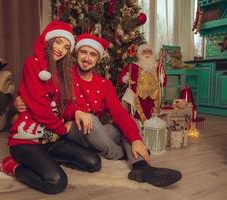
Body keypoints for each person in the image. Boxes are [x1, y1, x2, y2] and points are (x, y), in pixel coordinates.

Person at [15, 33, 182, 187]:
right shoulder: (65, 74)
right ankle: (119, 153)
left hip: (97, 135)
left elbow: (118, 112)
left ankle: (141, 167)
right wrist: (20, 99)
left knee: (126, 123)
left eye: (92, 54)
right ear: (76, 54)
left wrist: (136, 139)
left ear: (98, 59)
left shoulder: (104, 84)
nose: (87, 58)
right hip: (71, 130)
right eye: (83, 52)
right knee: (92, 120)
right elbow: (47, 96)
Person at [0, 21, 101, 194]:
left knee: (94, 163)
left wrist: (77, 111)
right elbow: (40, 108)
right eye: (58, 42)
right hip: (26, 142)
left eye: (66, 47)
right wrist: (62, 131)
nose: (61, 49)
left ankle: (44, 160)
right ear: (48, 40)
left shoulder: (61, 72)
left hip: (51, 139)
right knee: (56, 182)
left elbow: (65, 105)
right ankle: (11, 165)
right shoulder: (32, 63)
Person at [118, 44, 167, 122]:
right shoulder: (133, 65)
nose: (147, 53)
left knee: (153, 117)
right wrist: (126, 79)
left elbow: (163, 82)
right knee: (138, 117)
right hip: (138, 97)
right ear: (139, 54)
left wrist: (162, 78)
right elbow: (121, 78)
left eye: (149, 51)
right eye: (144, 51)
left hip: (154, 97)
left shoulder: (157, 65)